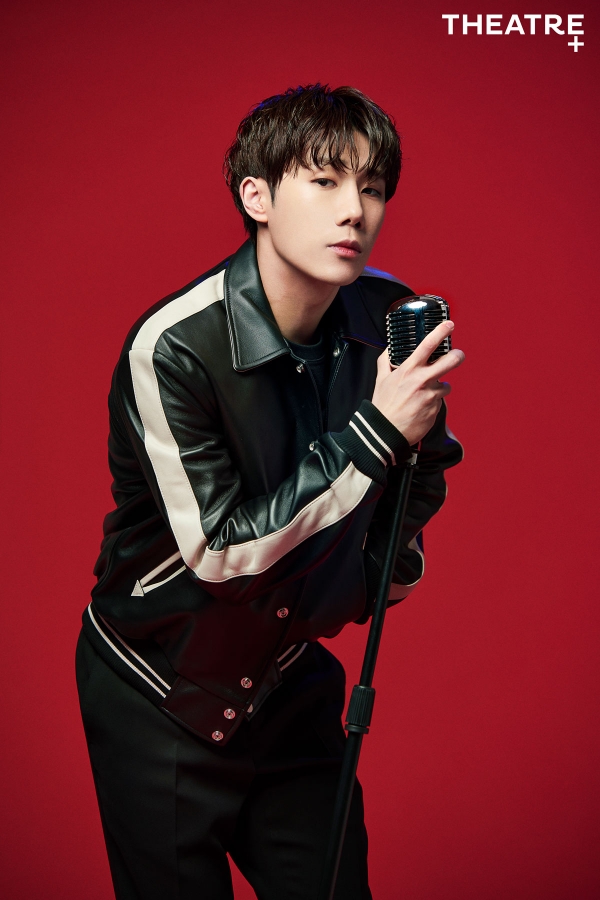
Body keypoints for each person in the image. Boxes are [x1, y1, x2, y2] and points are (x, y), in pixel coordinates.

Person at [76, 84, 464, 900]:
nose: (354, 210)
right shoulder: (174, 347)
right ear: (257, 196)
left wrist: (381, 571)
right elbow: (221, 553)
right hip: (160, 690)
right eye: (324, 181)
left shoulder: (385, 315)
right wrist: (376, 433)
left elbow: (421, 472)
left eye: (372, 187)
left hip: (288, 679)